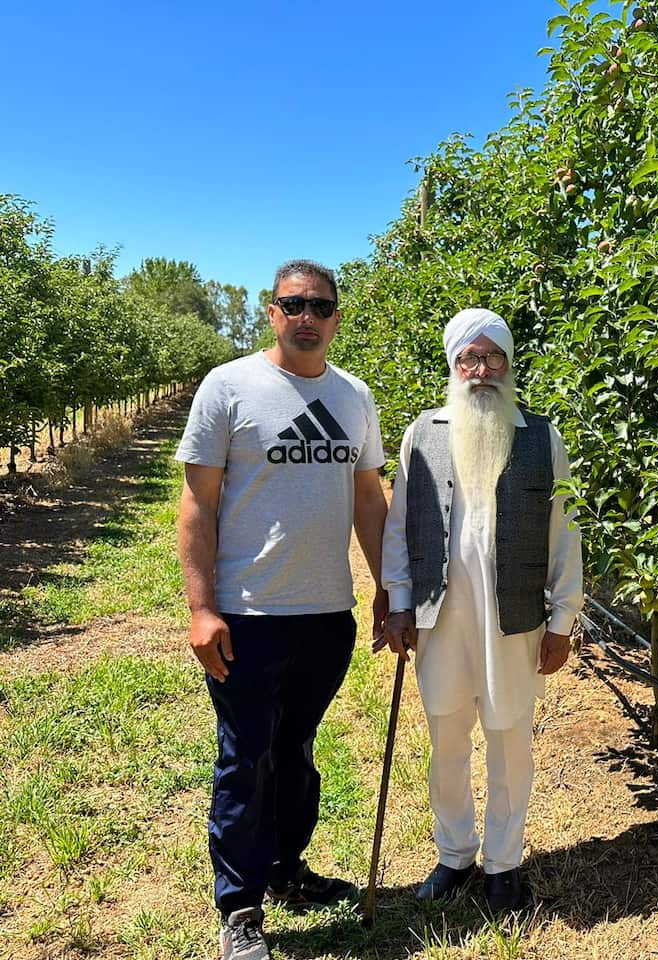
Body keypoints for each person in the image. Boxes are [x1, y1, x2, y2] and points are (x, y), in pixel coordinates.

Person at [176, 260, 389, 960]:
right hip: (247, 616)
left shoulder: (355, 397)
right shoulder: (229, 387)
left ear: (336, 317)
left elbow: (367, 500)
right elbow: (197, 504)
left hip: (327, 614)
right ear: (271, 312)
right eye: (292, 304)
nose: (307, 316)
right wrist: (202, 608)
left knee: (295, 752)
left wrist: (391, 587)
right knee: (246, 758)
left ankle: (287, 871)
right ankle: (239, 909)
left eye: (320, 306)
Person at [377, 307, 583, 913]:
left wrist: (564, 619)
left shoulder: (540, 436)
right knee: (447, 736)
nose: (482, 370)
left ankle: (504, 862)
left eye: (494, 357)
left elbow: (563, 532)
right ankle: (455, 853)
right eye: (470, 358)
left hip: (514, 617)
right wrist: (398, 602)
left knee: (510, 736)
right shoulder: (424, 432)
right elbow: (400, 527)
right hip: (441, 617)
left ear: (510, 364)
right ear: (453, 365)